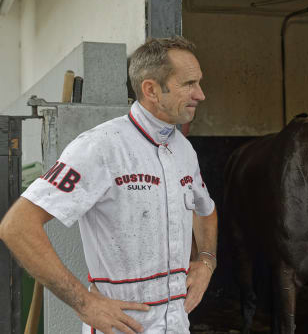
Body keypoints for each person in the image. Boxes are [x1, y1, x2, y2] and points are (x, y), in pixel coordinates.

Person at [0, 36, 218, 334]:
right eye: (189, 84)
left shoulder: (182, 149)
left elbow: (205, 210)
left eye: (199, 82)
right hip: (122, 326)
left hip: (177, 322)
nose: (201, 94)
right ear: (151, 90)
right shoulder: (100, 147)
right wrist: (85, 304)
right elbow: (17, 226)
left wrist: (206, 261)